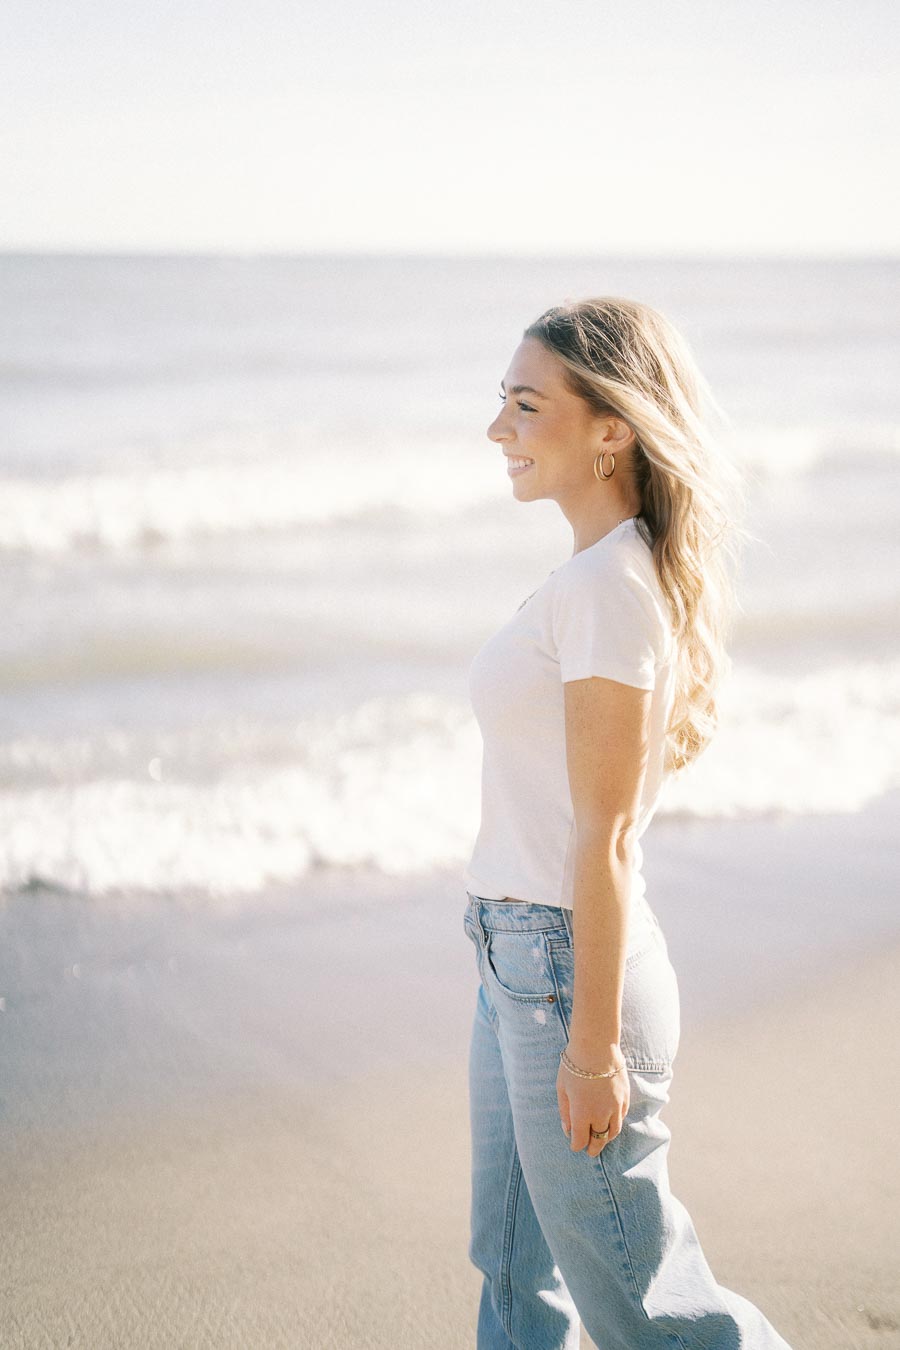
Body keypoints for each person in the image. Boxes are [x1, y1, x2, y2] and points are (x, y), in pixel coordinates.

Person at [461, 297, 794, 1349]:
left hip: (566, 971)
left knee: (648, 1308)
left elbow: (606, 837)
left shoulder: (607, 587)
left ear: (614, 428)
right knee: (517, 1272)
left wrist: (594, 1049)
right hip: (518, 956)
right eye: (500, 403)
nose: (497, 427)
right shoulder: (596, 574)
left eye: (525, 404)